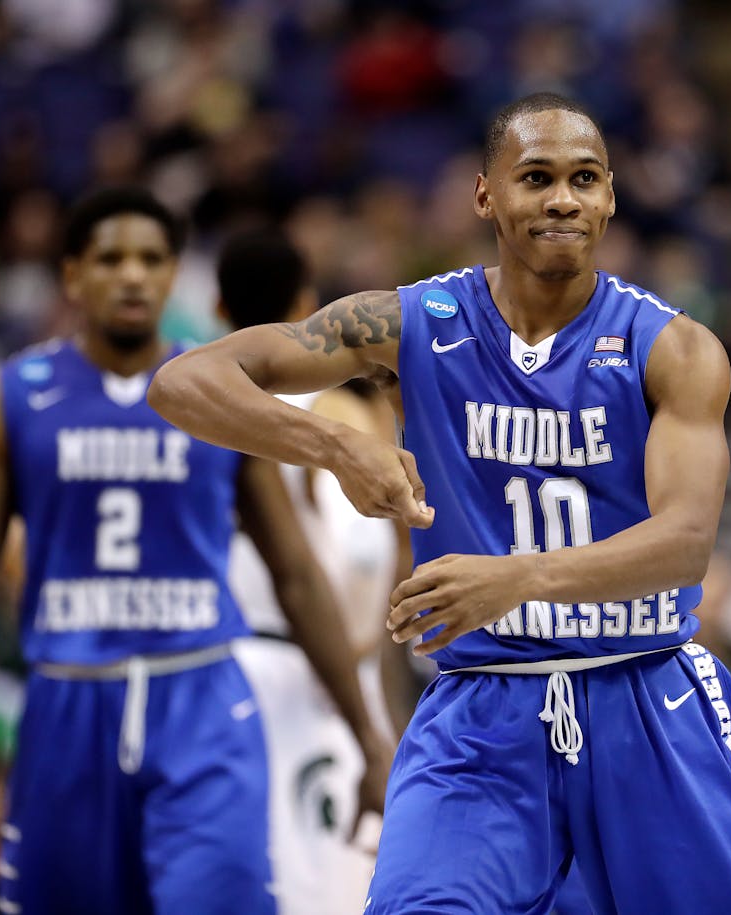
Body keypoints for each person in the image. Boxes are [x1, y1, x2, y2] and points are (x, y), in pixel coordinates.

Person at [149, 92, 731, 914]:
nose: (564, 198)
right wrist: (337, 443)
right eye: (537, 177)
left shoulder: (672, 346)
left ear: (609, 198)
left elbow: (685, 542)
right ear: (486, 194)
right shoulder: (414, 321)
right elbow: (184, 382)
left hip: (644, 693)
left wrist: (516, 578)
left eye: (585, 179)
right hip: (484, 709)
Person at [0, 187, 391, 915]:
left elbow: (295, 572)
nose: (131, 275)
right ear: (72, 275)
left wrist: (368, 734)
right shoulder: (9, 394)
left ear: (173, 277)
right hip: (69, 694)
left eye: (150, 259)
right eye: (110, 259)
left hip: (199, 693)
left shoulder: (218, 393)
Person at [217, 228, 400, 915]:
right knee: (335, 887)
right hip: (319, 669)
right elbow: (358, 557)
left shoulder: (206, 401)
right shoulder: (343, 411)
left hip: (230, 663)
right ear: (308, 303)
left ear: (216, 308)